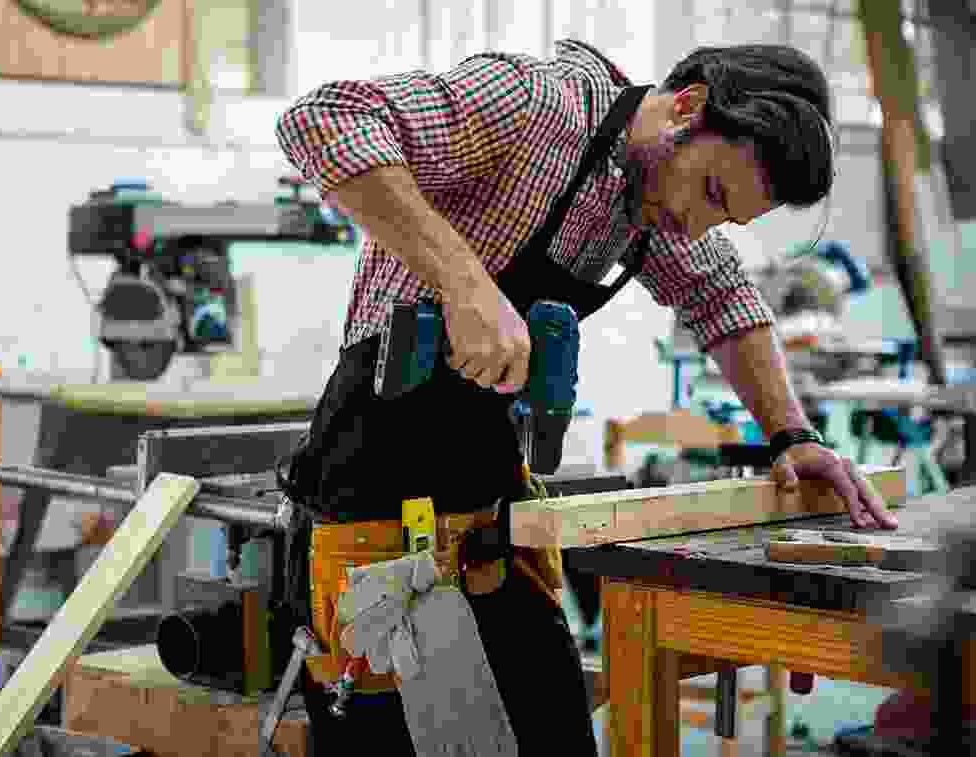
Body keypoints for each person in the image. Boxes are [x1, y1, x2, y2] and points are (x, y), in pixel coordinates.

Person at [273, 38, 900, 756]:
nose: (699, 225)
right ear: (688, 108)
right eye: (712, 193)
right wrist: (464, 283)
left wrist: (793, 435)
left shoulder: (647, 200)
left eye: (725, 218)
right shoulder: (541, 103)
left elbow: (722, 296)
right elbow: (324, 119)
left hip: (486, 509)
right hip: (366, 490)